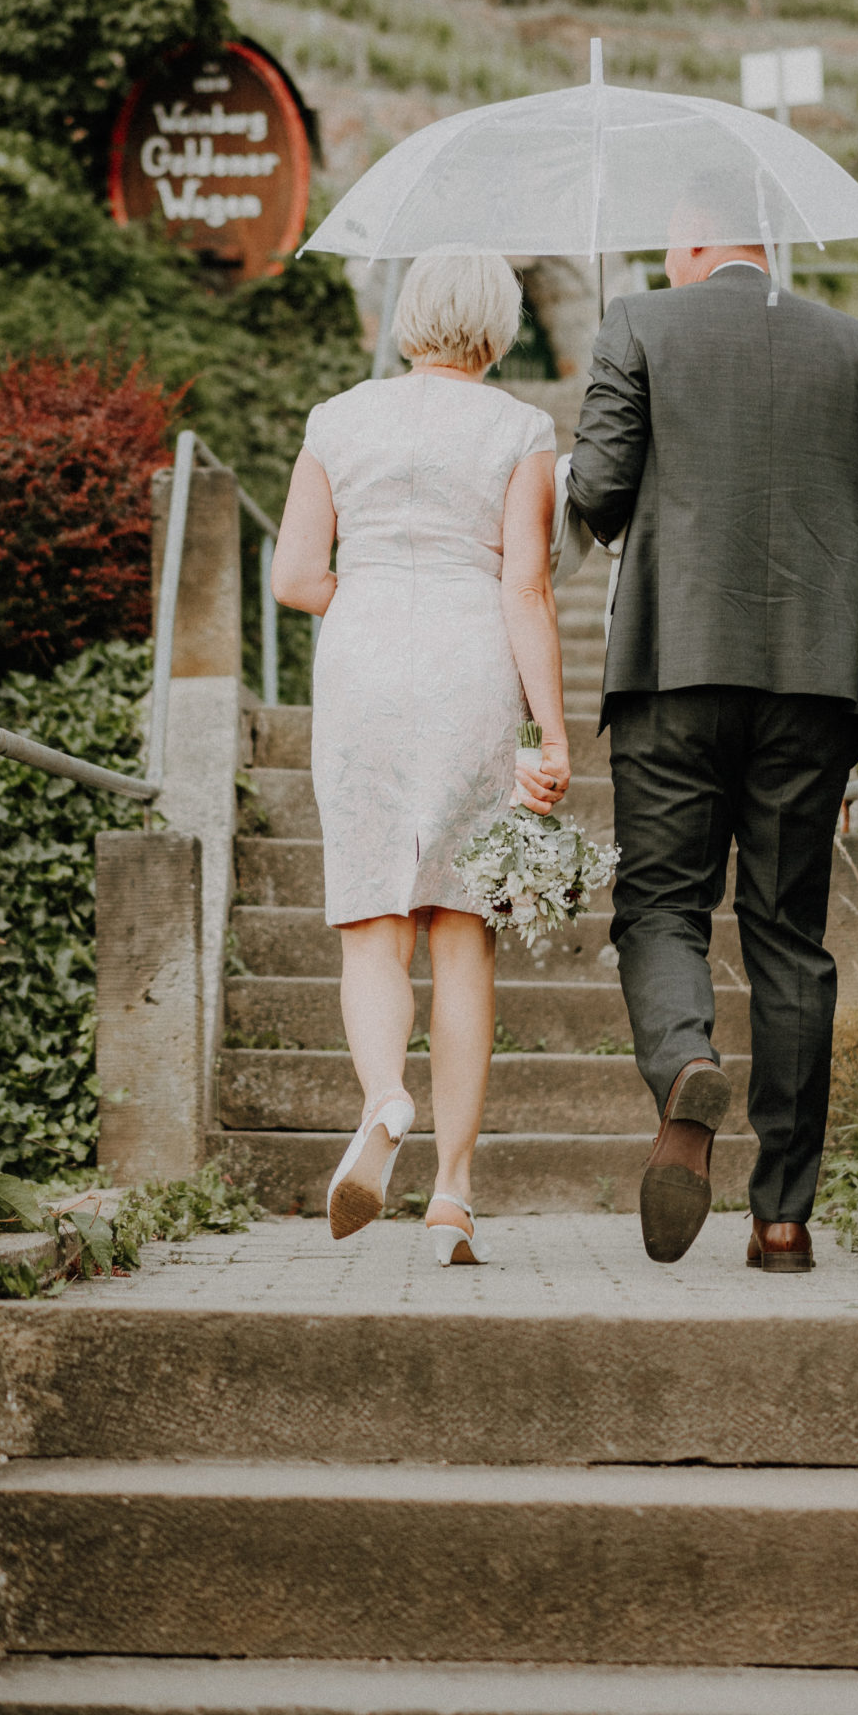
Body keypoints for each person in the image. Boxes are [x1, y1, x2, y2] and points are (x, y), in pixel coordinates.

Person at [564, 212, 858, 1273]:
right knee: (787, 934)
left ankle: (685, 1062)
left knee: (663, 903)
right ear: (771, 245)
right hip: (816, 680)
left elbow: (595, 493)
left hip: (674, 664)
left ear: (689, 245)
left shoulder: (637, 323)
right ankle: (782, 1218)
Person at [271, 248, 570, 1266]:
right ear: (499, 324)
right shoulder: (522, 429)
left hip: (362, 665)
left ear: (409, 315)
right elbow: (527, 589)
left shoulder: (336, 419)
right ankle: (451, 1194)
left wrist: (367, 593)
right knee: (460, 929)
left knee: (371, 921)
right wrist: (553, 733)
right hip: (470, 662)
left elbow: (294, 576)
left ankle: (385, 1097)